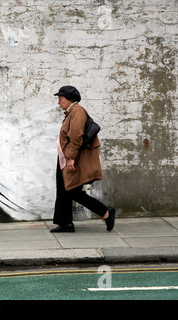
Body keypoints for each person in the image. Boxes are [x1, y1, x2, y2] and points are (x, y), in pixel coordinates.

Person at [51, 85, 115, 233]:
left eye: (61, 99)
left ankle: (106, 213)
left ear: (70, 99)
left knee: (72, 190)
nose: (58, 102)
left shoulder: (77, 111)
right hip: (65, 157)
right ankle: (65, 223)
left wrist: (71, 159)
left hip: (72, 158)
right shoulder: (71, 112)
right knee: (64, 189)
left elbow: (76, 136)